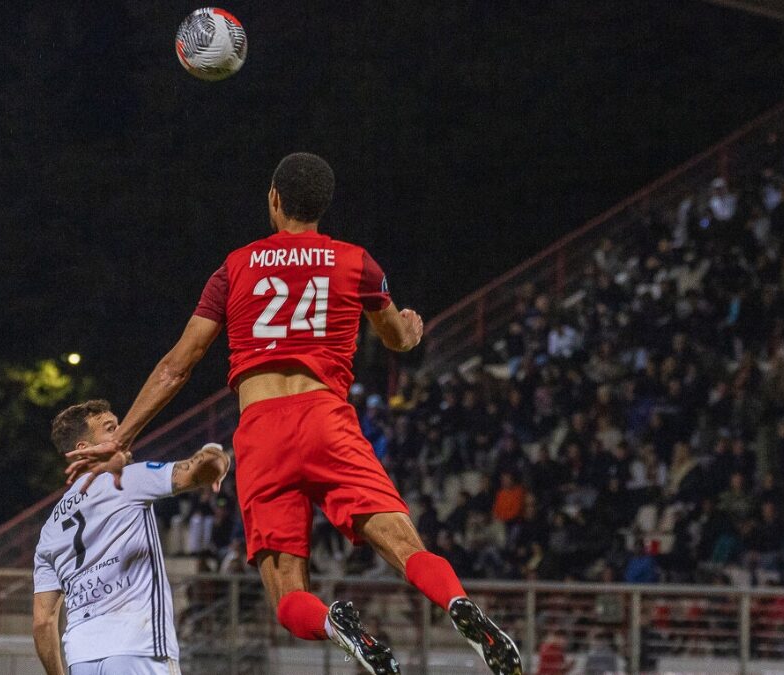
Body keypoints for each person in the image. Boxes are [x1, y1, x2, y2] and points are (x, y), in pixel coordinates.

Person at [65, 153, 522, 675]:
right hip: (326, 419)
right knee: (401, 540)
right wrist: (413, 331)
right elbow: (397, 337)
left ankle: (333, 624)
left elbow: (177, 366)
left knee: (287, 594)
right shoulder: (357, 262)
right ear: (323, 206)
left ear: (274, 199)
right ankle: (457, 605)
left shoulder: (234, 267)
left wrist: (121, 438)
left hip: (260, 431)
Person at [32, 399, 230, 675]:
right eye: (110, 429)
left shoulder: (50, 529)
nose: (122, 435)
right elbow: (200, 472)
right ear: (84, 450)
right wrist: (215, 452)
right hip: (137, 646)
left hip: (81, 657)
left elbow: (43, 622)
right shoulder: (125, 479)